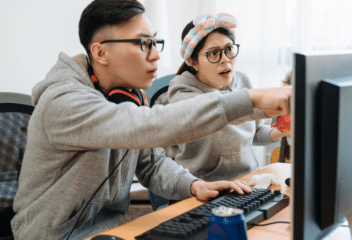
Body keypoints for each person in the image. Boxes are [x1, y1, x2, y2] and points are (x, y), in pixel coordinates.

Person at [11, 1, 292, 239]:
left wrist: (195, 185)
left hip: (111, 229)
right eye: (144, 43)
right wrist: (251, 99)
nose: (156, 54)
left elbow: (151, 164)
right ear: (100, 52)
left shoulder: (127, 96)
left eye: (155, 42)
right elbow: (151, 126)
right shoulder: (64, 102)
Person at [166, 13, 288, 182]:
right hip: (201, 187)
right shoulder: (181, 91)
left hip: (246, 181)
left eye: (229, 49)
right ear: (193, 61)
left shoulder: (243, 80)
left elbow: (256, 134)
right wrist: (260, 101)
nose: (225, 60)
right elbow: (218, 108)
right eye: (213, 53)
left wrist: (280, 131)